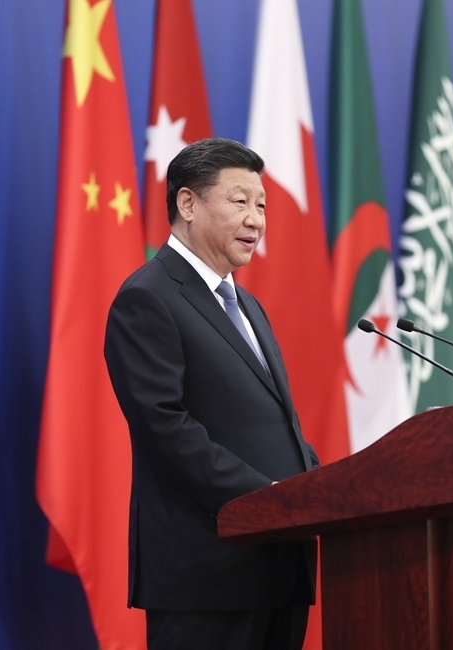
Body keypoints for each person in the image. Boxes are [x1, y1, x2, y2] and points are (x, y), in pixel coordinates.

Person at [104, 138, 318, 650]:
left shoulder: (248, 305)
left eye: (261, 205)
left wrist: (319, 489)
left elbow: (276, 424)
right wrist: (268, 498)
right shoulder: (147, 298)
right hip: (207, 577)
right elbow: (166, 427)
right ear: (188, 203)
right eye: (240, 201)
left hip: (279, 565)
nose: (256, 220)